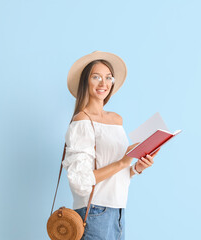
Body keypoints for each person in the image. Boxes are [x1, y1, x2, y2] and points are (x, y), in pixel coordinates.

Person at [63, 51, 161, 240]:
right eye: (96, 77)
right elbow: (80, 183)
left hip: (118, 210)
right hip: (94, 211)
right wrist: (122, 163)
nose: (104, 83)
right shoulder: (82, 121)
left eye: (108, 77)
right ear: (86, 82)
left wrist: (134, 169)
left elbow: (115, 169)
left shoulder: (116, 119)